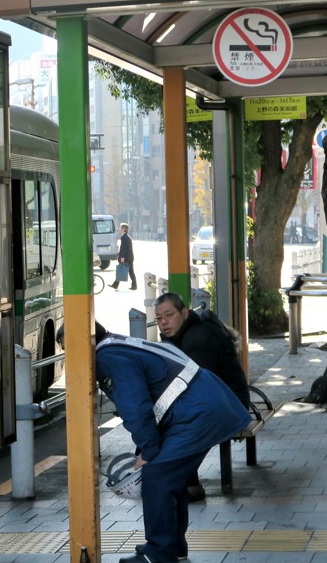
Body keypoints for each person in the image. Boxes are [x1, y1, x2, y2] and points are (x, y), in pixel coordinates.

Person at [93, 321, 251, 563]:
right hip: (204, 405)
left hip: (197, 413)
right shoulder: (119, 343)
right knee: (171, 479)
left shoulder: (108, 356)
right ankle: (173, 549)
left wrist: (147, 450)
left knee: (157, 474)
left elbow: (134, 405)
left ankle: (159, 553)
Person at [154, 292, 252, 502]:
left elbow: (194, 386)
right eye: (159, 319)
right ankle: (187, 482)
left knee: (179, 422)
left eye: (169, 315)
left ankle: (186, 482)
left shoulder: (198, 338)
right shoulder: (186, 334)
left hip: (231, 405)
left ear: (184, 312)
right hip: (224, 399)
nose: (164, 323)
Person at [109, 223, 136, 290]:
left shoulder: (124, 237)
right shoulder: (127, 236)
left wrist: (122, 257)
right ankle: (116, 284)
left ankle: (133, 286)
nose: (119, 229)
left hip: (126, 258)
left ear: (124, 229)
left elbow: (123, 248)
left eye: (120, 228)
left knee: (122, 271)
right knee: (129, 272)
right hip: (129, 258)